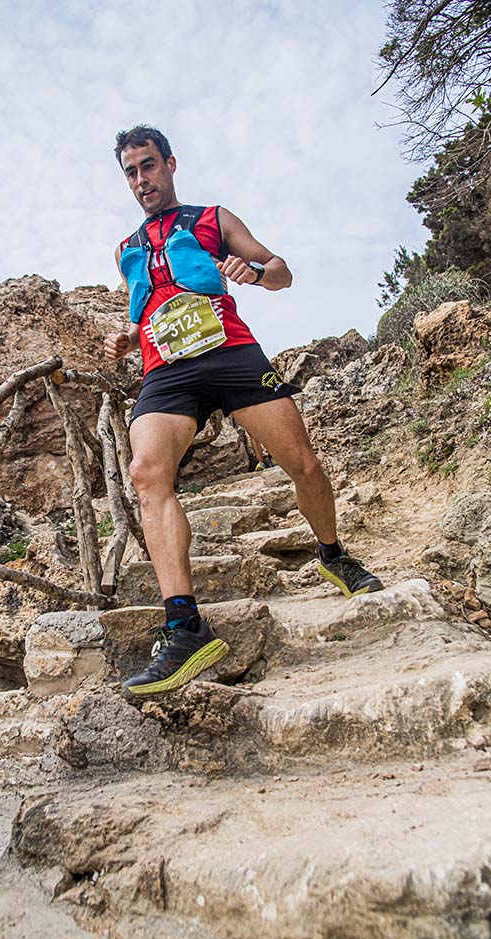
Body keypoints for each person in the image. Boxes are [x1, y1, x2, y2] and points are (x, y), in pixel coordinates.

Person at [104, 125, 383, 698]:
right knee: (146, 473)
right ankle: (184, 625)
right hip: (167, 370)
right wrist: (130, 337)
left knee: (301, 462)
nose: (141, 180)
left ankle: (332, 554)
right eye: (131, 172)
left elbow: (281, 271)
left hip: (230, 351)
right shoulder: (125, 248)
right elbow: (149, 304)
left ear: (170, 164)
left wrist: (252, 272)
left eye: (148, 166)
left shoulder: (212, 219)